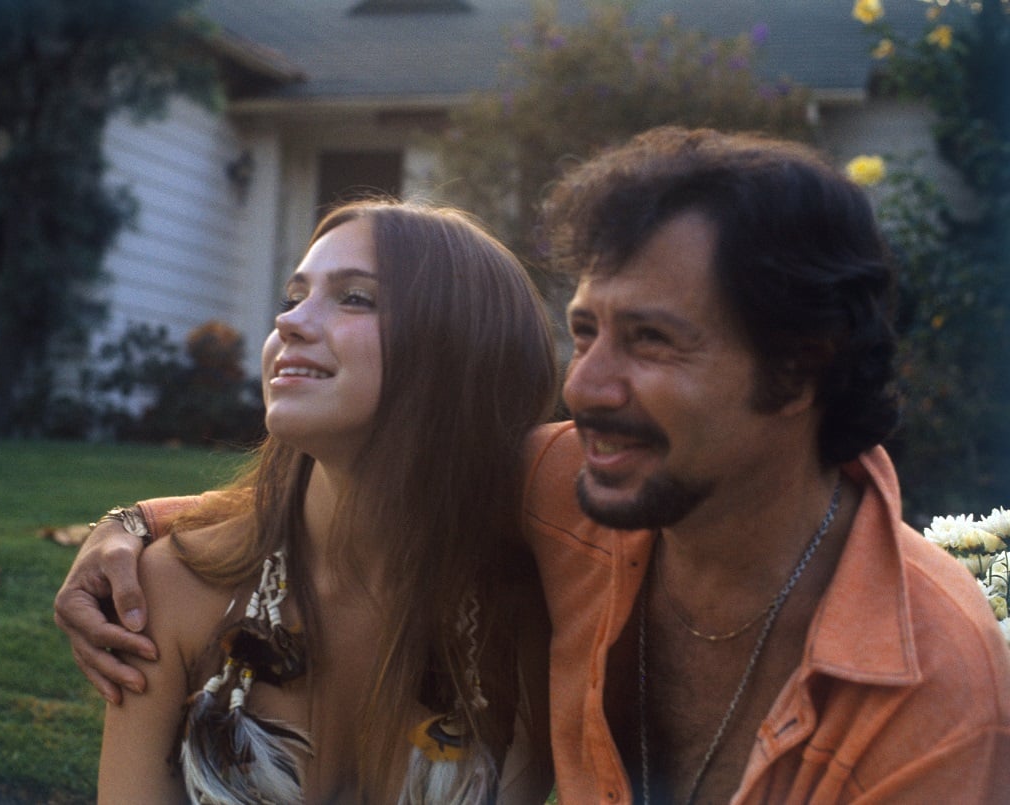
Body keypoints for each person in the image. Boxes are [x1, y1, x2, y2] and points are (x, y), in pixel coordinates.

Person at [58, 128, 1010, 803]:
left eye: (651, 340)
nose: (585, 386)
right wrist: (134, 524)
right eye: (586, 330)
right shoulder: (584, 492)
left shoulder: (937, 699)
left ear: (801, 370)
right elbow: (391, 473)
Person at [87, 199, 558, 803]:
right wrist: (128, 522)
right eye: (293, 296)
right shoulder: (175, 587)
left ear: (459, 347)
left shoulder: (522, 622)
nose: (289, 322)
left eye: (355, 298)